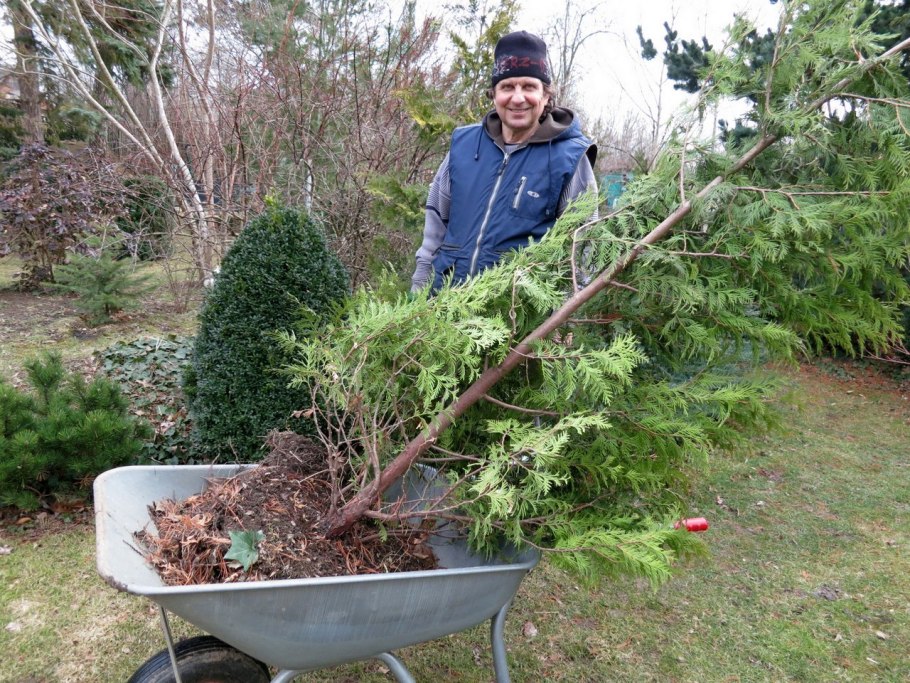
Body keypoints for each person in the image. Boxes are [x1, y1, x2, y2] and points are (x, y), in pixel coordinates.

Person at [411, 30, 598, 293]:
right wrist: (419, 287)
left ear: (545, 95)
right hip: (443, 308)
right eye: (507, 87)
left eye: (529, 86)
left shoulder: (569, 158)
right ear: (494, 94)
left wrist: (564, 321)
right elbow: (435, 226)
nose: (518, 98)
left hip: (518, 317)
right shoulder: (464, 146)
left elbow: (581, 248)